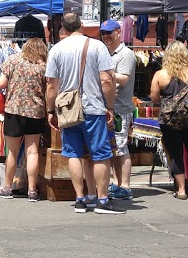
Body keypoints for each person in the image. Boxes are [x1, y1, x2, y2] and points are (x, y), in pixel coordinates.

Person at [45, 12, 117, 212]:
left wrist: (50, 110)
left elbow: (51, 86)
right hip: (93, 107)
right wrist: (109, 105)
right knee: (100, 154)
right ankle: (102, 199)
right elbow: (107, 80)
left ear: (64, 28)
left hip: (68, 110)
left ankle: (80, 198)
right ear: (81, 25)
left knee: (73, 154)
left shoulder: (57, 50)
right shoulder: (97, 46)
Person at [150, 41, 188, 200]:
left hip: (169, 122)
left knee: (176, 155)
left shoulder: (160, 75)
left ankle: (182, 190)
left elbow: (155, 98)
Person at [0, 39, 48, 199]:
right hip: (36, 111)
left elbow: (1, 83)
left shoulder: (14, 59)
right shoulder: (43, 66)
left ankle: (7, 188)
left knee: (12, 151)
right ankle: (32, 191)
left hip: (14, 110)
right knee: (32, 151)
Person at [99, 19, 137, 200]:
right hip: (110, 107)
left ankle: (126, 186)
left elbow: (124, 79)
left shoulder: (125, 54)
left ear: (119, 32)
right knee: (113, 148)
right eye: (103, 33)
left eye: (109, 32)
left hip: (121, 107)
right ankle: (116, 183)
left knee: (121, 148)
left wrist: (107, 73)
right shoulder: (106, 52)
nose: (106, 36)